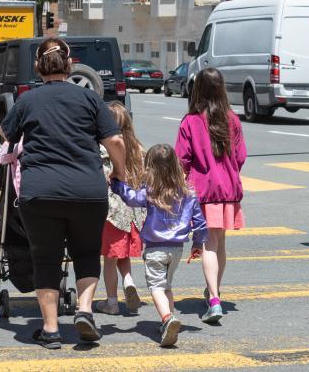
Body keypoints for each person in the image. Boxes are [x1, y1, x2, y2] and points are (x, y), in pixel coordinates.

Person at [0, 37, 126, 349]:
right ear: (70, 66)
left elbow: (5, 133)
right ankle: (84, 311)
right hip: (87, 190)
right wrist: (119, 172)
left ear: (37, 67)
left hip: (40, 192)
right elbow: (116, 142)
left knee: (45, 259)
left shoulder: (28, 101)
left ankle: (51, 329)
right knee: (85, 253)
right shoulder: (90, 100)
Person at [110, 144, 208, 347]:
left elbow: (131, 198)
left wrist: (117, 185)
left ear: (150, 168)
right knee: (167, 286)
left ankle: (167, 318)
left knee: (155, 287)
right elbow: (200, 222)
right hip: (177, 248)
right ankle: (169, 317)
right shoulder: (187, 192)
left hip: (155, 248)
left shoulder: (151, 191)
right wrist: (197, 243)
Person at [175, 67, 247, 324]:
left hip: (204, 192)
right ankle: (214, 291)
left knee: (208, 244)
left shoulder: (191, 122)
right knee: (220, 243)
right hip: (228, 190)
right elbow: (240, 157)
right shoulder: (232, 119)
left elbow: (181, 160)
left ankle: (214, 299)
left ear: (198, 90)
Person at [95, 101, 147, 316]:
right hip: (135, 212)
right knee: (121, 253)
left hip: (112, 213)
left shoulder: (104, 149)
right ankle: (128, 280)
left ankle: (112, 302)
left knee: (109, 258)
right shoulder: (138, 148)